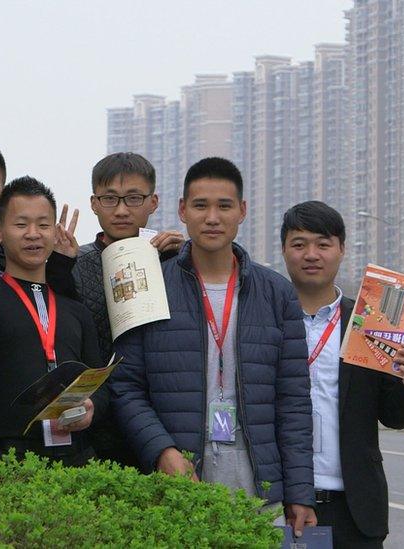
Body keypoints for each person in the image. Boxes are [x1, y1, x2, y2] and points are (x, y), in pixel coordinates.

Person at [109, 157, 317, 536]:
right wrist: (161, 451)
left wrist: (300, 492)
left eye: (224, 206)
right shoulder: (148, 284)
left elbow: (293, 399)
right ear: (182, 210)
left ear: (242, 211)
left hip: (259, 491)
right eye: (201, 205)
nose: (212, 217)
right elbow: (125, 386)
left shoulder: (276, 293)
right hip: (179, 485)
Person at [281, 201, 404, 548]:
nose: (311, 254)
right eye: (299, 244)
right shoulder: (267, 319)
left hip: (355, 507)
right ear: (284, 250)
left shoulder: (370, 324)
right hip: (283, 502)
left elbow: (393, 416)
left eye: (323, 244)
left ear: (342, 249)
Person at [0, 177, 106, 466]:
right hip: (8, 459)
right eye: (21, 225)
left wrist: (94, 407)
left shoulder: (73, 306)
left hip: (76, 458)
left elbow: (101, 381)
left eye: (43, 225)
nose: (33, 234)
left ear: (55, 232)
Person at [73, 152, 183, 465]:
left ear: (154, 201)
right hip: (93, 422)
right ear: (94, 203)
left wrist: (186, 256)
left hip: (161, 421)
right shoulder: (74, 266)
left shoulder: (173, 261)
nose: (121, 210)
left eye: (134, 198)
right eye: (110, 198)